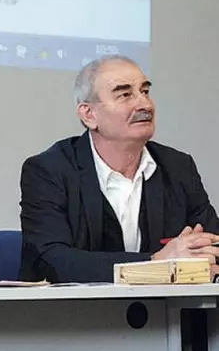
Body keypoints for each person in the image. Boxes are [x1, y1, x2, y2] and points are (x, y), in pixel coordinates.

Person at [19, 55, 219, 283]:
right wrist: (155, 263)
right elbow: (52, 261)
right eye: (125, 95)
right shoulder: (49, 170)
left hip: (167, 313)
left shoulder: (178, 167)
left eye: (145, 91)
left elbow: (212, 241)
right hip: (74, 313)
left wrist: (205, 254)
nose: (144, 104)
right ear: (89, 115)